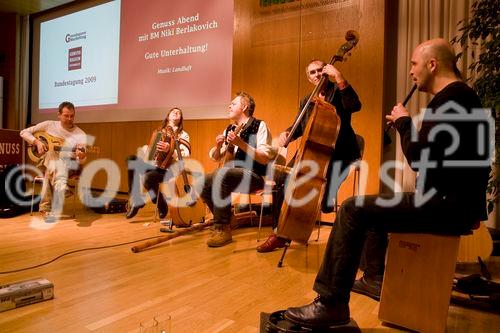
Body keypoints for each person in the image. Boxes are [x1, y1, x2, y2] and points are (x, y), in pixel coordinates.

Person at [278, 38, 490, 328]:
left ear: (432, 64)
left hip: (446, 205)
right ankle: (375, 277)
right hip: (454, 203)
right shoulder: (462, 97)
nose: (412, 72)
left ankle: (331, 303)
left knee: (352, 209)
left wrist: (403, 122)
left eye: (414, 64)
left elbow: (418, 158)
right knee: (375, 207)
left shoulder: (451, 100)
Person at [257, 60, 362, 252]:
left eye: (320, 70)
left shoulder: (338, 91)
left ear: (327, 71)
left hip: (339, 152)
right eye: (312, 72)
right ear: (309, 78)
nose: (317, 74)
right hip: (314, 150)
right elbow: (300, 124)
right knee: (282, 177)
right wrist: (287, 133)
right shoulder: (307, 99)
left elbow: (355, 105)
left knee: (317, 190)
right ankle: (279, 232)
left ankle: (322, 203)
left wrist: (339, 77)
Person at [200, 91, 275, 247]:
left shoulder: (259, 125)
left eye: (233, 103)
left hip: (254, 176)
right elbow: (215, 157)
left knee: (221, 174)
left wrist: (241, 144)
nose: (229, 106)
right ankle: (229, 218)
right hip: (230, 176)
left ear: (245, 106)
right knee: (203, 182)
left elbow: (264, 157)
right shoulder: (230, 128)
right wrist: (218, 145)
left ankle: (222, 229)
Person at [20, 101, 87, 222]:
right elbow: (24, 132)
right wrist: (37, 142)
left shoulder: (80, 134)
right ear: (59, 115)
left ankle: (45, 208)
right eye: (66, 116)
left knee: (50, 169)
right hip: (44, 161)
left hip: (68, 166)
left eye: (72, 116)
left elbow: (80, 161)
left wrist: (81, 156)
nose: (69, 119)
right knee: (51, 155)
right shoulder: (48, 125)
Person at [125, 107, 190, 219]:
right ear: (168, 116)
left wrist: (170, 149)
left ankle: (159, 202)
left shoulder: (183, 135)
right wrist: (146, 151)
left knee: (147, 178)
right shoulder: (160, 131)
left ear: (180, 119)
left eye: (178, 113)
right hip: (154, 165)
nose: (175, 112)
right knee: (131, 160)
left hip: (170, 169)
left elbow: (186, 155)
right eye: (173, 111)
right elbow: (151, 152)